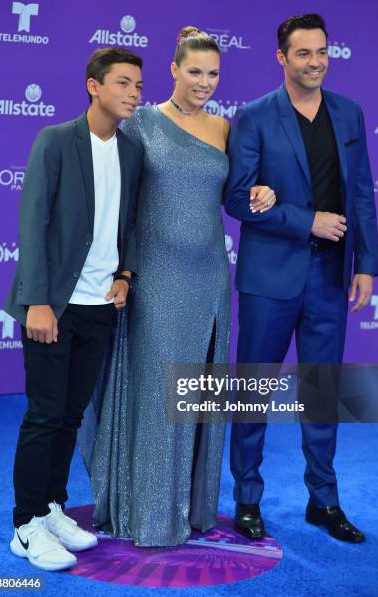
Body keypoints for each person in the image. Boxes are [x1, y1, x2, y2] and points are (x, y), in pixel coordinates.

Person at [81, 27, 275, 547]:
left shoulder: (226, 129)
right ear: (173, 70)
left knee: (197, 391)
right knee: (158, 389)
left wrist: (258, 189)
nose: (204, 83)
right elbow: (113, 192)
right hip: (156, 274)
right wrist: (119, 270)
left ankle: (192, 509)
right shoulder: (140, 121)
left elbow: (236, 195)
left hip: (211, 273)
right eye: (195, 72)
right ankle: (147, 511)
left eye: (213, 74)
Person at [225, 14, 378, 543]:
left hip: (332, 276)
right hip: (270, 276)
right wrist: (303, 219)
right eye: (303, 54)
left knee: (321, 391)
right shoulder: (255, 116)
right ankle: (247, 499)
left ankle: (324, 500)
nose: (315, 62)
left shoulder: (350, 113)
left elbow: (362, 193)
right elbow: (238, 197)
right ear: (282, 58)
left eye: (322, 52)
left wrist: (366, 263)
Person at [4, 47, 144, 570]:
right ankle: (24, 524)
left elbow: (128, 223)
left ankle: (52, 508)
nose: (134, 93)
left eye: (139, 85)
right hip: (53, 307)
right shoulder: (57, 140)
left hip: (101, 308)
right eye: (124, 83)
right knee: (43, 416)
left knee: (69, 415)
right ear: (94, 86)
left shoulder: (131, 151)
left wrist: (126, 275)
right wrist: (38, 300)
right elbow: (33, 222)